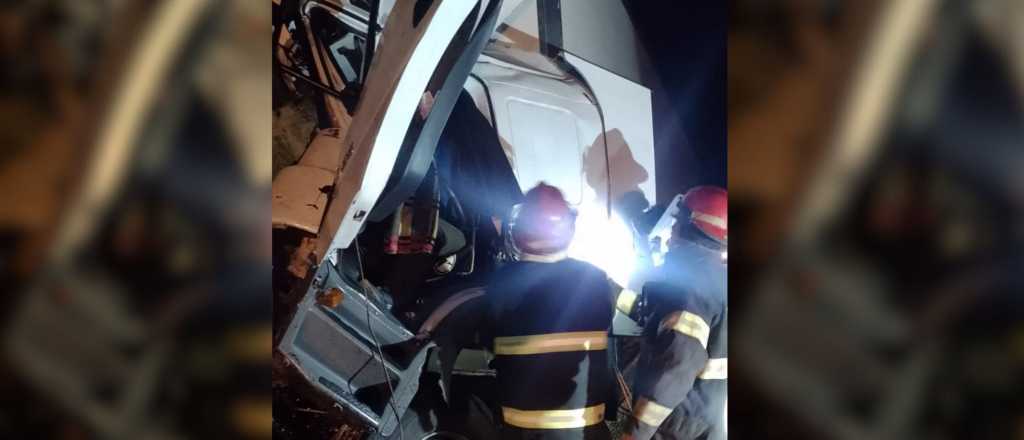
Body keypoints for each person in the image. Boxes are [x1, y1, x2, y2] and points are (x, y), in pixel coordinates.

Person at [485, 183, 616, 440]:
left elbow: (488, 341)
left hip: (523, 429)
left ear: (521, 230)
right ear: (568, 228)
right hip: (585, 429)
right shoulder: (595, 279)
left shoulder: (500, 283)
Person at [623, 186, 728, 440]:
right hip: (700, 417)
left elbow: (675, 367)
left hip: (676, 426)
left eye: (677, 221)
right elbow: (660, 319)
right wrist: (610, 293)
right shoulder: (716, 275)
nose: (670, 229)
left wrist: (635, 433)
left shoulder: (693, 284)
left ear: (694, 226)